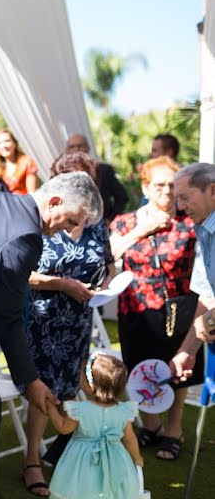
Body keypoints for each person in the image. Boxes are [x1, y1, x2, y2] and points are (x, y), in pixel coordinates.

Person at [0, 171, 103, 498]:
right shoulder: (26, 235)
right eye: (71, 220)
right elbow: (9, 315)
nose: (70, 229)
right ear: (55, 201)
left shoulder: (0, 202)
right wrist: (30, 380)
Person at [20, 152, 115, 496]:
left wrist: (107, 286)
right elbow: (22, 275)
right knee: (42, 387)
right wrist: (62, 284)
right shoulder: (39, 221)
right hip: (44, 319)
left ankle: (65, 447)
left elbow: (108, 262)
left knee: (70, 384)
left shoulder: (95, 223)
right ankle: (31, 458)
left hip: (79, 319)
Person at [109, 156, 200, 460]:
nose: (167, 192)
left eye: (172, 186)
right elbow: (110, 254)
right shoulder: (124, 223)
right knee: (142, 369)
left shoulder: (190, 223)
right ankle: (151, 424)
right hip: (135, 309)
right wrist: (144, 229)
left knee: (178, 371)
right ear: (145, 187)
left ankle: (174, 429)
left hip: (179, 310)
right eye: (159, 185)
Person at [46, 352, 143, 499]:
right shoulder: (123, 411)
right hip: (116, 457)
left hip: (82, 460)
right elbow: (129, 438)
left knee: (81, 489)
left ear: (90, 384)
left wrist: (51, 408)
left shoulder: (81, 410)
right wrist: (136, 458)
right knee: (113, 491)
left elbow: (63, 427)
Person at [173, 163, 215, 343]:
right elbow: (207, 294)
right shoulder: (203, 228)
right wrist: (187, 353)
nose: (180, 206)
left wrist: (211, 319)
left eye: (185, 197)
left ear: (213, 191)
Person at [65, 134, 128, 221]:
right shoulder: (62, 173)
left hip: (101, 225)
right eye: (72, 147)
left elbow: (122, 196)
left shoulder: (104, 170)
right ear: (67, 150)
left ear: (88, 148)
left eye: (80, 146)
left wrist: (111, 219)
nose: (76, 150)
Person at [0, 129, 38, 194]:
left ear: (15, 143)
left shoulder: (27, 162)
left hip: (24, 202)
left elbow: (32, 193)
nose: (4, 146)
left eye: (7, 141)